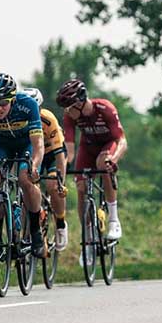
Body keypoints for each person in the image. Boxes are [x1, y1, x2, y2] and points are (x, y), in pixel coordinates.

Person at [0, 73, 47, 258]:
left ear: (13, 99)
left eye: (3, 103)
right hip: (1, 145)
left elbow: (38, 144)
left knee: (25, 179)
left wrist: (34, 165)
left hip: (26, 145)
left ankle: (35, 232)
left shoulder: (28, 104)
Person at [56, 78, 127, 264]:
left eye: (69, 106)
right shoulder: (70, 116)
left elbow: (122, 140)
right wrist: (62, 168)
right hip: (87, 148)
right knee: (81, 187)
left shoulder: (105, 108)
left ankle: (114, 220)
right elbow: (70, 150)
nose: (67, 111)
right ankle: (88, 239)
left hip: (108, 145)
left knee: (103, 164)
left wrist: (114, 159)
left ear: (80, 102)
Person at [19, 87, 69, 250]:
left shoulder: (48, 119)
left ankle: (60, 224)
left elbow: (60, 154)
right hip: (33, 156)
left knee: (52, 185)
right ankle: (27, 234)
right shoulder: (17, 120)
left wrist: (61, 182)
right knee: (27, 188)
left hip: (52, 154)